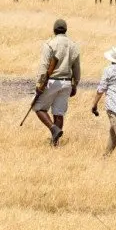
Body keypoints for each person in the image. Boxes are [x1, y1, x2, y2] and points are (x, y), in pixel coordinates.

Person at [33, 18, 81, 146]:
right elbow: (76, 68)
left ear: (54, 30)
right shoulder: (73, 45)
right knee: (59, 113)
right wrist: (75, 84)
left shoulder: (50, 44)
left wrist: (39, 84)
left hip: (52, 81)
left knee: (38, 107)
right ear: (66, 30)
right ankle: (55, 143)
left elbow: (44, 66)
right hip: (66, 82)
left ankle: (53, 129)